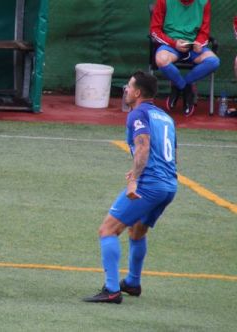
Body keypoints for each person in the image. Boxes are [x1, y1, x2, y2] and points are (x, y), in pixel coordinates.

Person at [84, 71, 178, 304]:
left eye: (128, 86)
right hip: (169, 185)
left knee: (107, 230)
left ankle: (112, 290)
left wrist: (135, 178)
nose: (125, 90)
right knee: (137, 230)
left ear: (137, 92)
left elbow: (144, 147)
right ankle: (133, 283)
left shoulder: (138, 114)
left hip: (150, 184)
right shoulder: (165, 117)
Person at [151, 0, 220, 117]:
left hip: (193, 48)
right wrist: (174, 43)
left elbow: (204, 31)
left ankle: (181, 85)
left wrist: (200, 43)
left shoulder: (204, 2)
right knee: (161, 60)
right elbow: (155, 30)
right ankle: (186, 90)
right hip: (171, 46)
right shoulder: (163, 1)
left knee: (213, 61)